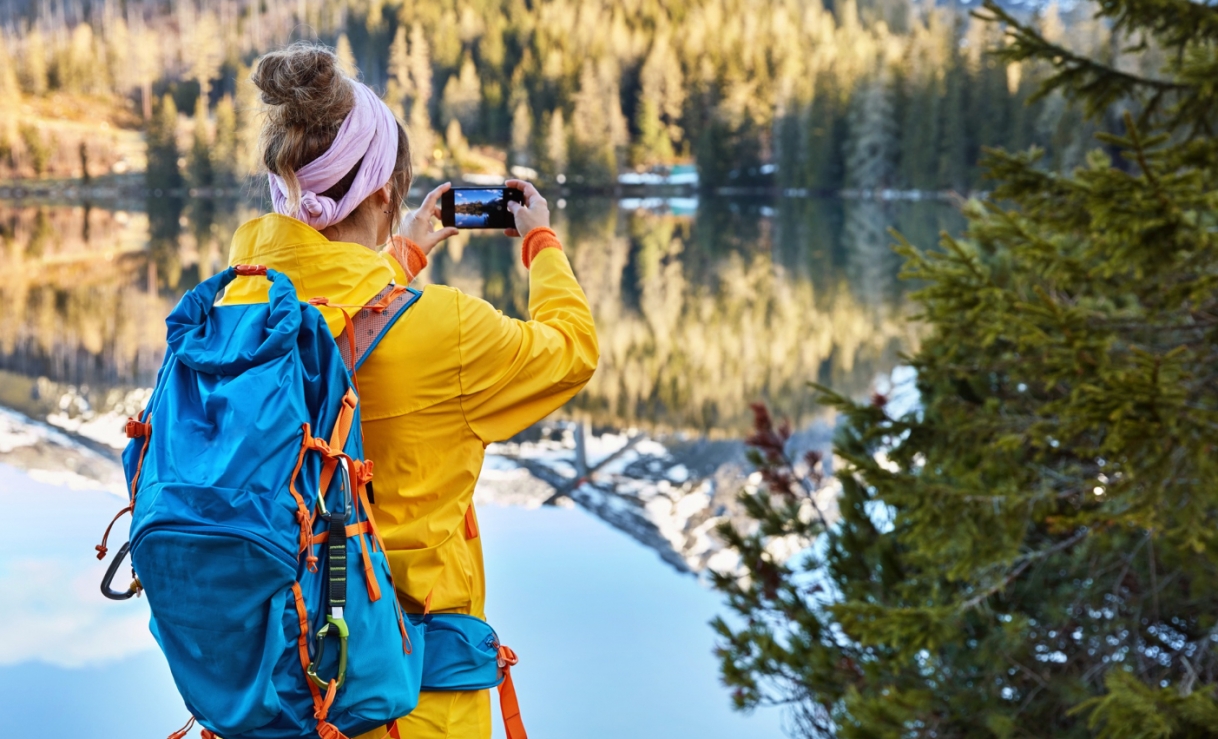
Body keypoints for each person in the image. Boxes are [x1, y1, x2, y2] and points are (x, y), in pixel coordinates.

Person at [222, 42, 599, 739]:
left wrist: (411, 248)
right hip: (404, 709)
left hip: (266, 702)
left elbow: (333, 308)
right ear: (384, 192)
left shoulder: (227, 316)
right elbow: (572, 351)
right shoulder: (448, 331)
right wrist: (540, 239)